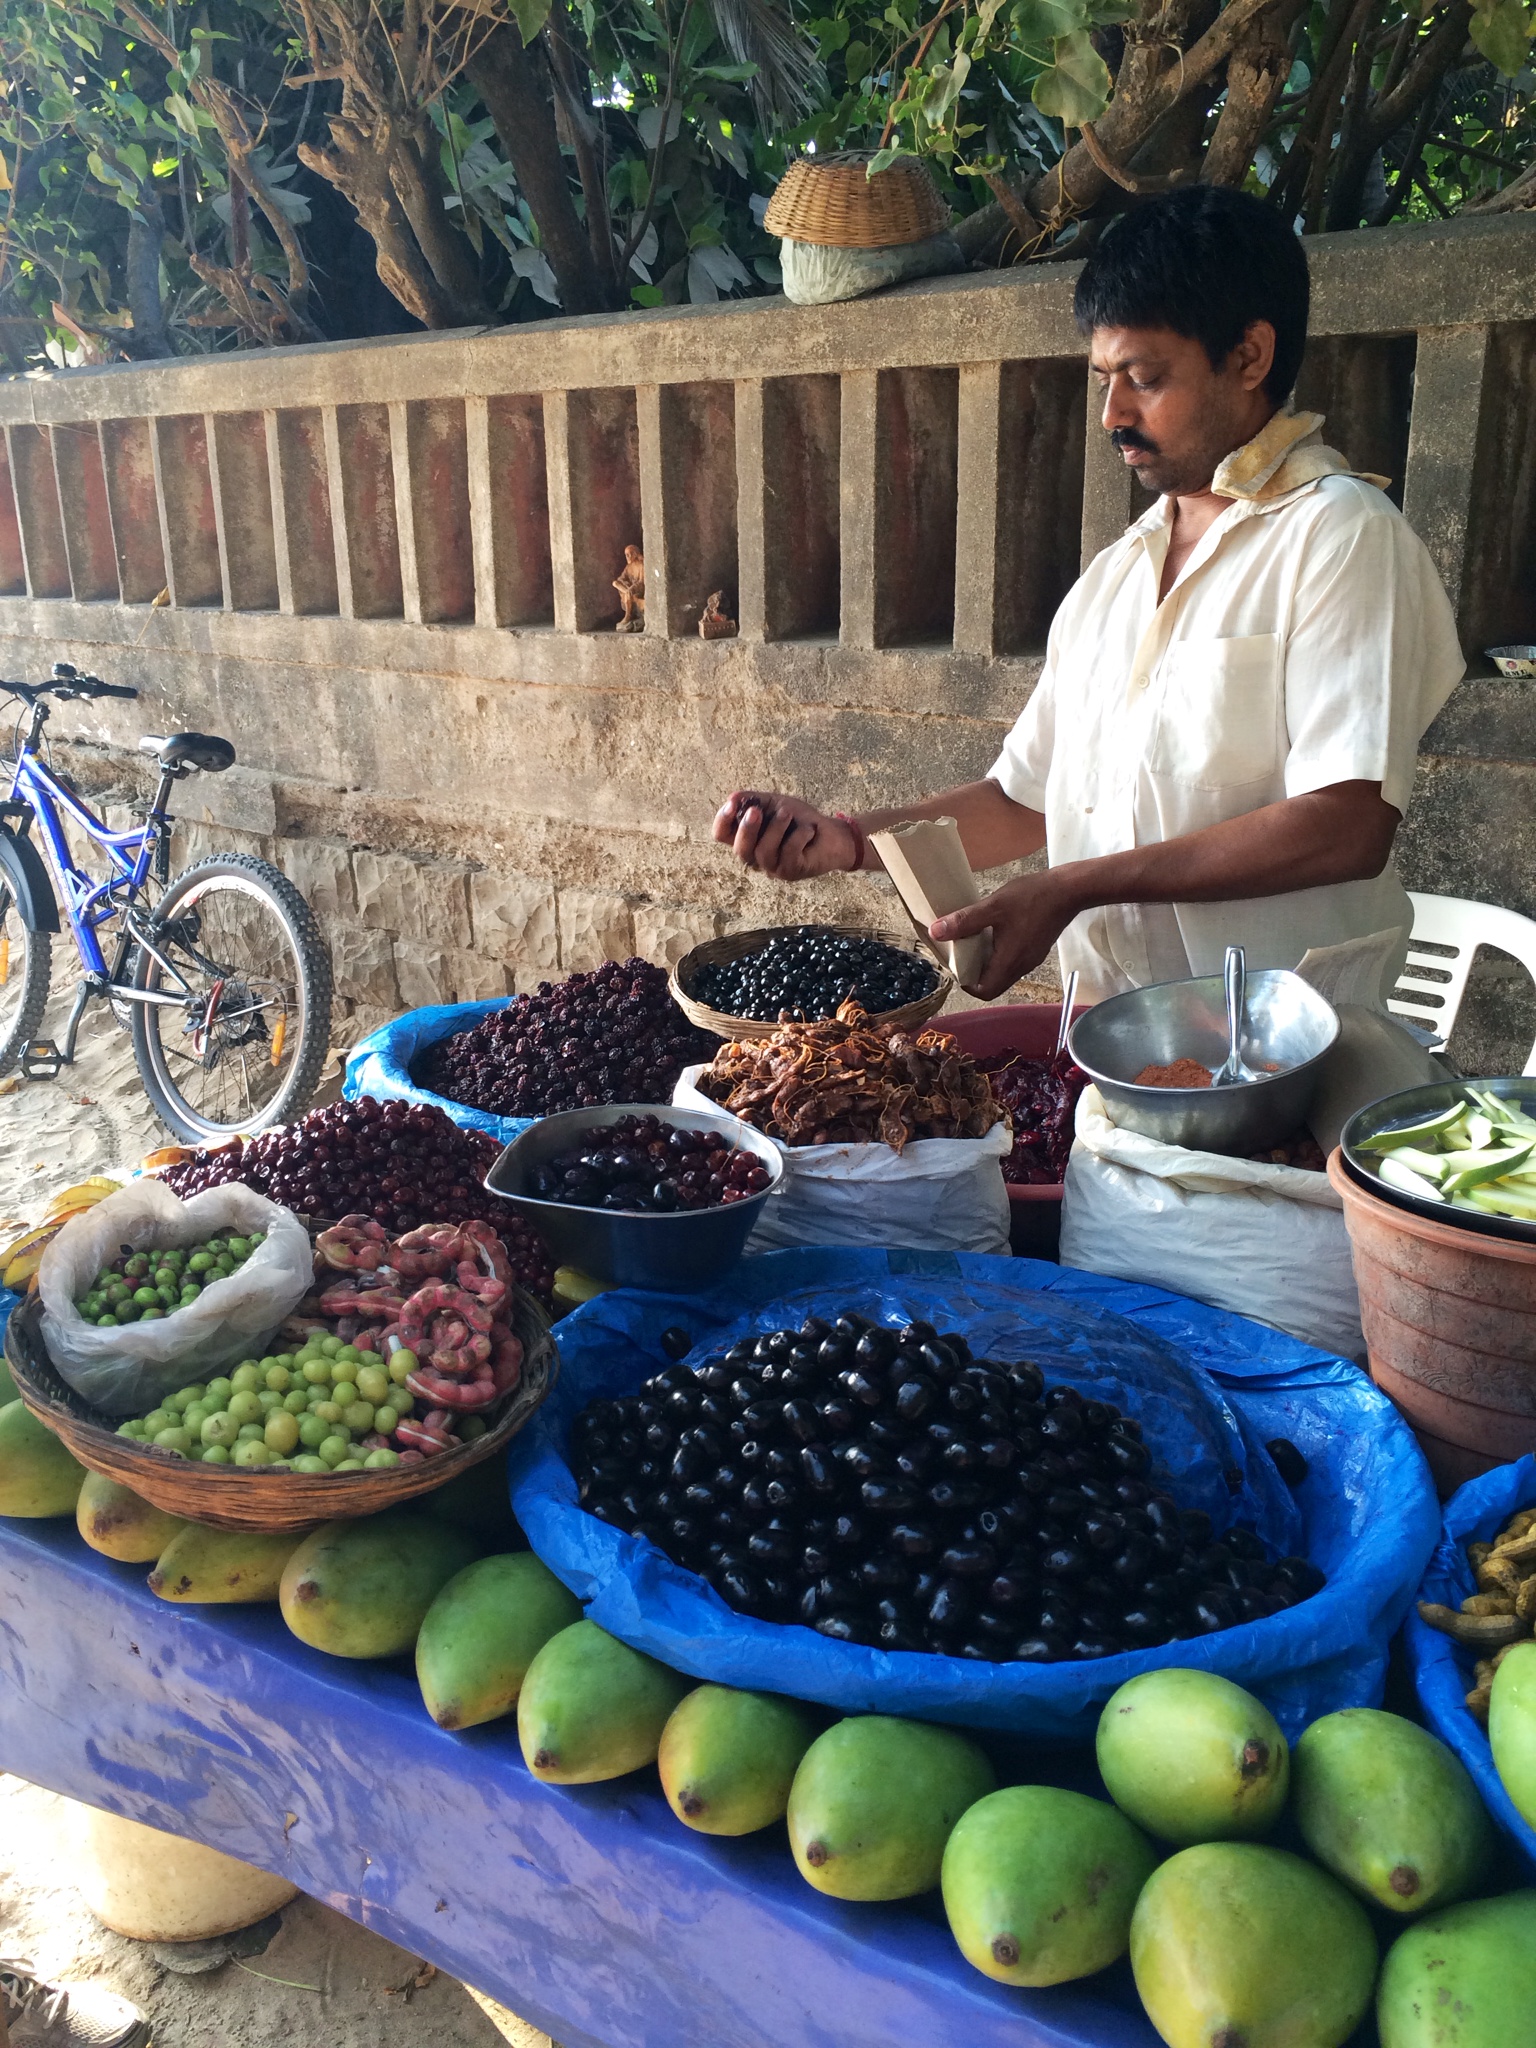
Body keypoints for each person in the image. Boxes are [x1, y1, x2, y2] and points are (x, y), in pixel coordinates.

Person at [714, 187, 1463, 1004]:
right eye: (1103, 377)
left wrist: (1077, 886)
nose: (1113, 414)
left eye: (1143, 377)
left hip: (1291, 1064)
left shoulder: (1339, 535)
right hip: (1118, 1050)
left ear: (1249, 357)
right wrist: (851, 840)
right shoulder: (1115, 578)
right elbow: (1020, 800)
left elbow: (1347, 825)